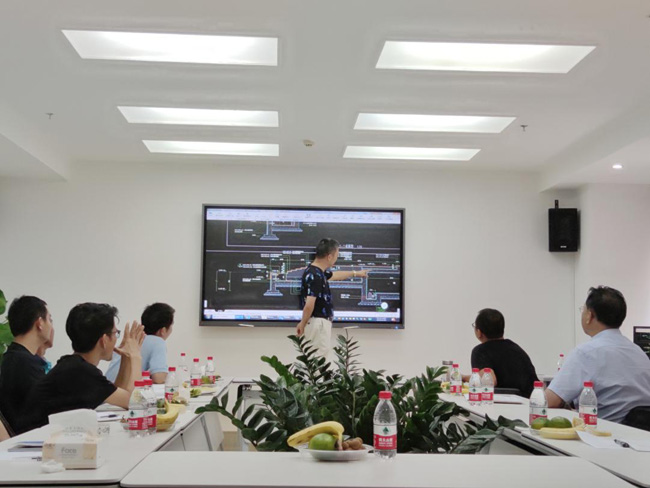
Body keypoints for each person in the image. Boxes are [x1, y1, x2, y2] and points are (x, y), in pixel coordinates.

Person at [17, 303, 144, 434]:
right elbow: (134, 402)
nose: (116, 339)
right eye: (115, 333)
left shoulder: (75, 366)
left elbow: (119, 396)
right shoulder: (80, 372)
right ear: (104, 339)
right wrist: (136, 356)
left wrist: (126, 358)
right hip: (35, 442)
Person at [546, 286, 650, 423]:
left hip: (603, 431)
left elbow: (549, 401)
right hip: (640, 433)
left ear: (589, 316)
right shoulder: (638, 352)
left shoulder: (586, 352)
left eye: (583, 310)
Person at [296, 238, 368, 357]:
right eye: (336, 255)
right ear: (329, 256)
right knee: (318, 359)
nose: (336, 259)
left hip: (318, 323)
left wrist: (356, 273)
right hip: (318, 323)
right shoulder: (315, 276)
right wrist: (302, 324)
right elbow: (309, 304)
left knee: (317, 357)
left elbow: (335, 275)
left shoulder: (317, 272)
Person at [0, 296, 54, 433]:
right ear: (39, 323)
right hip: (30, 439)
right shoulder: (26, 364)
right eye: (49, 319)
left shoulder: (13, 358)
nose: (51, 326)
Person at [464, 308, 539, 398]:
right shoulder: (516, 349)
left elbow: (489, 380)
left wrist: (464, 378)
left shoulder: (480, 351)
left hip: (505, 403)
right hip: (532, 401)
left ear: (479, 332)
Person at [105, 303, 175, 384]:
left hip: (106, 386)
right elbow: (159, 378)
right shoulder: (158, 341)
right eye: (171, 326)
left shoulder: (132, 340)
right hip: (121, 389)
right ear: (163, 330)